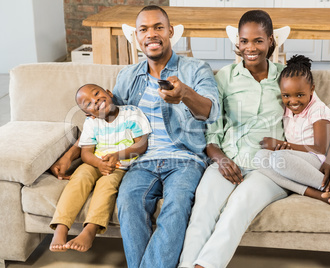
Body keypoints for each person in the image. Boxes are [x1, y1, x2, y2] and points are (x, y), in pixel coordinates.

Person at [50, 5, 219, 268]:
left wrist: (185, 94)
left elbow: (212, 111)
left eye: (158, 27)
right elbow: (105, 118)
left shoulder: (196, 69)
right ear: (137, 37)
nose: (151, 34)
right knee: (128, 202)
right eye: (144, 29)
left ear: (170, 31)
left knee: (177, 206)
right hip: (140, 161)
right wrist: (71, 154)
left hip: (185, 158)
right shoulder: (128, 76)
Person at [179, 10, 330, 268]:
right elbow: (212, 127)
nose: (251, 47)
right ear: (238, 43)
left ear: (270, 41)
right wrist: (221, 159)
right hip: (227, 161)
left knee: (238, 207)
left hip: (268, 169)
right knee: (201, 212)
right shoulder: (224, 77)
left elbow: (329, 122)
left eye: (258, 40)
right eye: (244, 41)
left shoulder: (289, 78)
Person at [49, 84, 151, 252]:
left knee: (106, 185)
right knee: (79, 178)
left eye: (97, 94)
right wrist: (98, 163)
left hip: (119, 166)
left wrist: (117, 156)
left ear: (109, 93)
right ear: (89, 114)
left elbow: (141, 145)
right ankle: (61, 227)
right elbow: (86, 153)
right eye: (88, 103)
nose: (95, 100)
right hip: (94, 162)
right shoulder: (91, 122)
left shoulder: (131, 113)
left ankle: (90, 230)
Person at [254, 54, 330, 212]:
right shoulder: (288, 108)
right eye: (286, 96)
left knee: (279, 158)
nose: (293, 101)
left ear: (312, 90)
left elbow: (320, 148)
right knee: (259, 158)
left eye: (299, 95)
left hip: (316, 160)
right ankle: (318, 194)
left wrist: (283, 145)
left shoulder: (317, 109)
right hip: (298, 159)